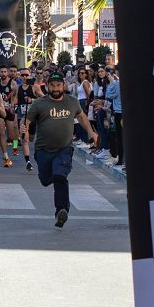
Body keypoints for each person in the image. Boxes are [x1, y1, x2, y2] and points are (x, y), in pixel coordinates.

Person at [23, 71, 99, 228]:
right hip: (43, 149)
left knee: (60, 176)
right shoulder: (39, 103)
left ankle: (61, 211)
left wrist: (91, 132)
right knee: (45, 180)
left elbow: (81, 117)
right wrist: (24, 132)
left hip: (64, 148)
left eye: (58, 85)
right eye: (52, 85)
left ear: (63, 86)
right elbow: (28, 121)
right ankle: (59, 201)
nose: (56, 88)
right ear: (48, 86)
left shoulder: (72, 102)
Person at [104, 65, 124, 166]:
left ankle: (121, 159)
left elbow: (109, 94)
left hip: (119, 112)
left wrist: (111, 82)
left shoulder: (116, 83)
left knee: (120, 137)